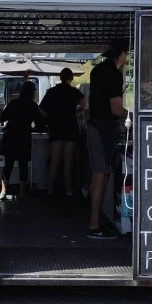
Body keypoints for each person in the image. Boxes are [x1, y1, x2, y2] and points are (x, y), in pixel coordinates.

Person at [86, 43, 128, 239]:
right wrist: (135, 116)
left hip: (94, 125)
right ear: (122, 54)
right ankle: (95, 226)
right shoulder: (113, 74)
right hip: (104, 127)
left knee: (98, 176)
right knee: (101, 176)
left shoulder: (97, 70)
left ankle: (98, 221)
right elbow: (116, 110)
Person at [40, 68, 86, 196]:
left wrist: (50, 116)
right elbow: (85, 103)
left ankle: (50, 190)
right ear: (71, 78)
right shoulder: (74, 91)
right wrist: (80, 112)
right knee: (68, 161)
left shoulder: (51, 92)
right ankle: (69, 191)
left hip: (55, 128)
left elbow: (41, 110)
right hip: (71, 128)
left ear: (60, 77)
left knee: (55, 161)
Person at [0, 81, 45, 200]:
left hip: (11, 136)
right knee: (23, 165)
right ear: (32, 93)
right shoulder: (33, 105)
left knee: (8, 164)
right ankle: (22, 192)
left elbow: (2, 118)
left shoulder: (13, 103)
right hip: (24, 136)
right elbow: (40, 121)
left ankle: (3, 191)